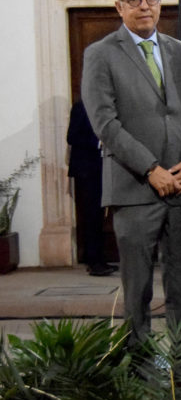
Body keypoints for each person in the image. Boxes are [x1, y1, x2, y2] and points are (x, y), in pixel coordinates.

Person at [81, 0, 181, 377]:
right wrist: (151, 169)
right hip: (135, 188)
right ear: (119, 6)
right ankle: (138, 370)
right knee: (137, 290)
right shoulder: (101, 53)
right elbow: (105, 124)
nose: (144, 5)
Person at [66, 99, 118, 277]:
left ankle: (99, 258)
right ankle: (94, 261)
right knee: (91, 216)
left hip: (102, 169)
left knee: (100, 216)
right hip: (87, 171)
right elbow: (72, 136)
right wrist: (98, 141)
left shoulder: (107, 106)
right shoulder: (81, 106)